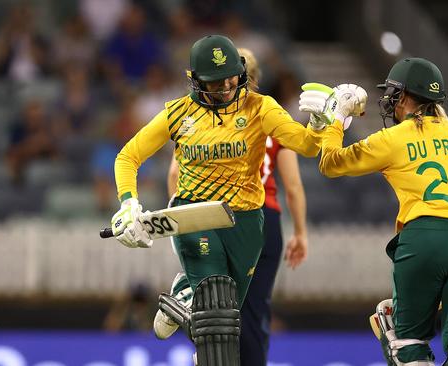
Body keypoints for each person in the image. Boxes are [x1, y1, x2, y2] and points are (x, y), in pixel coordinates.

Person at [109, 35, 363, 364]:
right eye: (216, 84)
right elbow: (128, 157)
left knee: (229, 319)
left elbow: (307, 146)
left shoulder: (261, 108)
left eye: (231, 79)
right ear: (195, 80)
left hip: (245, 219)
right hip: (194, 213)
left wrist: (319, 124)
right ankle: (196, 302)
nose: (226, 88)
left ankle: (186, 292)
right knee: (217, 317)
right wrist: (128, 203)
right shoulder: (177, 113)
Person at [303, 58, 448, 366]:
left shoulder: (396, 137)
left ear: (403, 98)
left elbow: (331, 163)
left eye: (392, 93)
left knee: (404, 337)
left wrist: (336, 119)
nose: (389, 101)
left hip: (426, 239)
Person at [158, 48, 309, 366]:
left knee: (213, 301)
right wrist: (300, 232)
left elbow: (176, 173)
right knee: (251, 311)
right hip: (261, 218)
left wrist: (184, 223)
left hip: (210, 214)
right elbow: (292, 186)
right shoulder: (271, 114)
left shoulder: (197, 116)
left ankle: (191, 308)